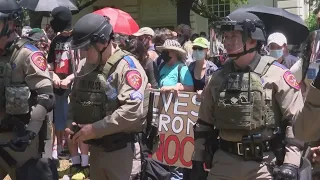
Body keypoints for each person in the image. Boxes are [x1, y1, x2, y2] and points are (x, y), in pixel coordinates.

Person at [191, 10, 315, 180]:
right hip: (223, 163)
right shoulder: (217, 79)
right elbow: (204, 124)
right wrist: (198, 158)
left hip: (263, 165)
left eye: (233, 36)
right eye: (225, 36)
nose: (227, 42)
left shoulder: (278, 76)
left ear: (252, 39)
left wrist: (291, 163)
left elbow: (295, 123)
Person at [66, 13, 148, 180]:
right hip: (96, 150)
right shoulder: (85, 66)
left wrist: (95, 129)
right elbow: (75, 97)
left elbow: (132, 110)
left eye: (87, 48)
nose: (83, 53)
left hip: (122, 152)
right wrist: (71, 122)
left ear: (103, 42)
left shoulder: (128, 67)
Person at [0, 0, 55, 179]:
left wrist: (30, 133)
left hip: (20, 141)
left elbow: (46, 97)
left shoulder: (28, 54)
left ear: (10, 23)